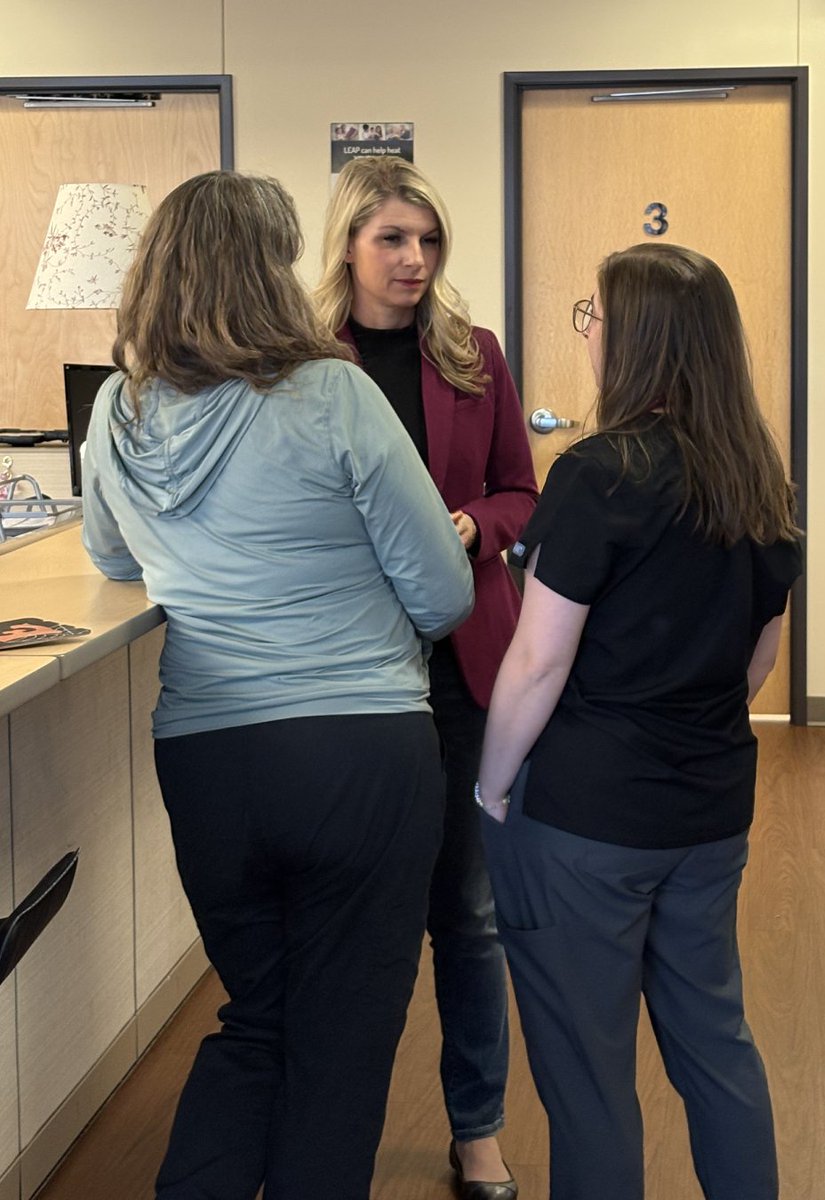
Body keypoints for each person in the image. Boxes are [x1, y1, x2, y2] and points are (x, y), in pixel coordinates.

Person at [81, 170, 475, 1200]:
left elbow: (114, 562)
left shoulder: (119, 412)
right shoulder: (331, 392)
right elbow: (441, 593)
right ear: (270, 270)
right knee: (343, 1042)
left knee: (256, 1015)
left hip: (210, 763)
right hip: (359, 756)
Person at [476, 243, 803, 1200]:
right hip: (708, 816)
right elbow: (757, 660)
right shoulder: (759, 478)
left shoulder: (597, 473)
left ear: (638, 344)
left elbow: (537, 663)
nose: (591, 336)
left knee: (589, 1076)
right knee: (715, 1046)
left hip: (584, 824)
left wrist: (492, 788)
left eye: (598, 319)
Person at [315, 157, 538, 1198]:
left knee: (471, 913)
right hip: (347, 672)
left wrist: (471, 525)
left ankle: (478, 1130)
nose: (414, 260)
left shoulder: (473, 355)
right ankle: (335, 1136)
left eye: (428, 240)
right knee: (359, 918)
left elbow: (519, 495)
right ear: (348, 245)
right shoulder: (305, 363)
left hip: (458, 666)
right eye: (393, 239)